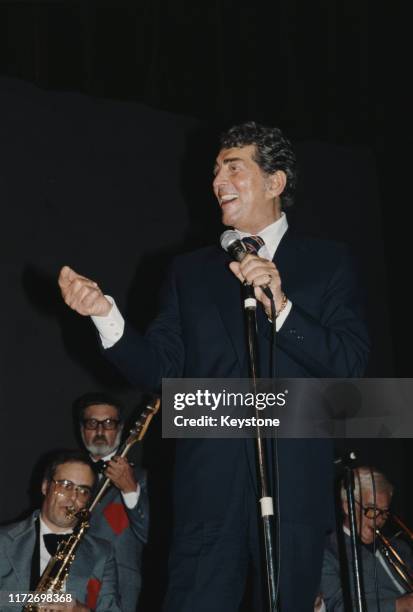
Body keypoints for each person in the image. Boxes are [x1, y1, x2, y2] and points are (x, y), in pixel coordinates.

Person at [58, 121, 370, 611]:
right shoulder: (189, 272)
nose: (217, 181)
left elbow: (350, 367)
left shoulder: (329, 263)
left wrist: (282, 309)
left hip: (294, 491)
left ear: (275, 183)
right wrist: (106, 316)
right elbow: (161, 368)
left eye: (233, 167)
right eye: (215, 170)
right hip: (207, 493)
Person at [0, 450, 121, 612]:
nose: (73, 497)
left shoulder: (102, 553)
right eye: (66, 486)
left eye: (83, 491)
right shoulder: (3, 541)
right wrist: (33, 598)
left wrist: (81, 610)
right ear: (45, 486)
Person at [74, 391, 149, 612]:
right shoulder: (65, 476)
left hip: (119, 595)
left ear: (121, 428)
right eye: (92, 423)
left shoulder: (144, 479)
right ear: (82, 430)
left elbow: (153, 537)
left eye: (108, 423)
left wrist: (130, 489)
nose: (99, 431)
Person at [321, 467, 413, 611]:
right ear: (347, 506)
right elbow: (339, 608)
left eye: (384, 512)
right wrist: (400, 605)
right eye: (372, 509)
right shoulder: (328, 553)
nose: (379, 520)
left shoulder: (401, 547)